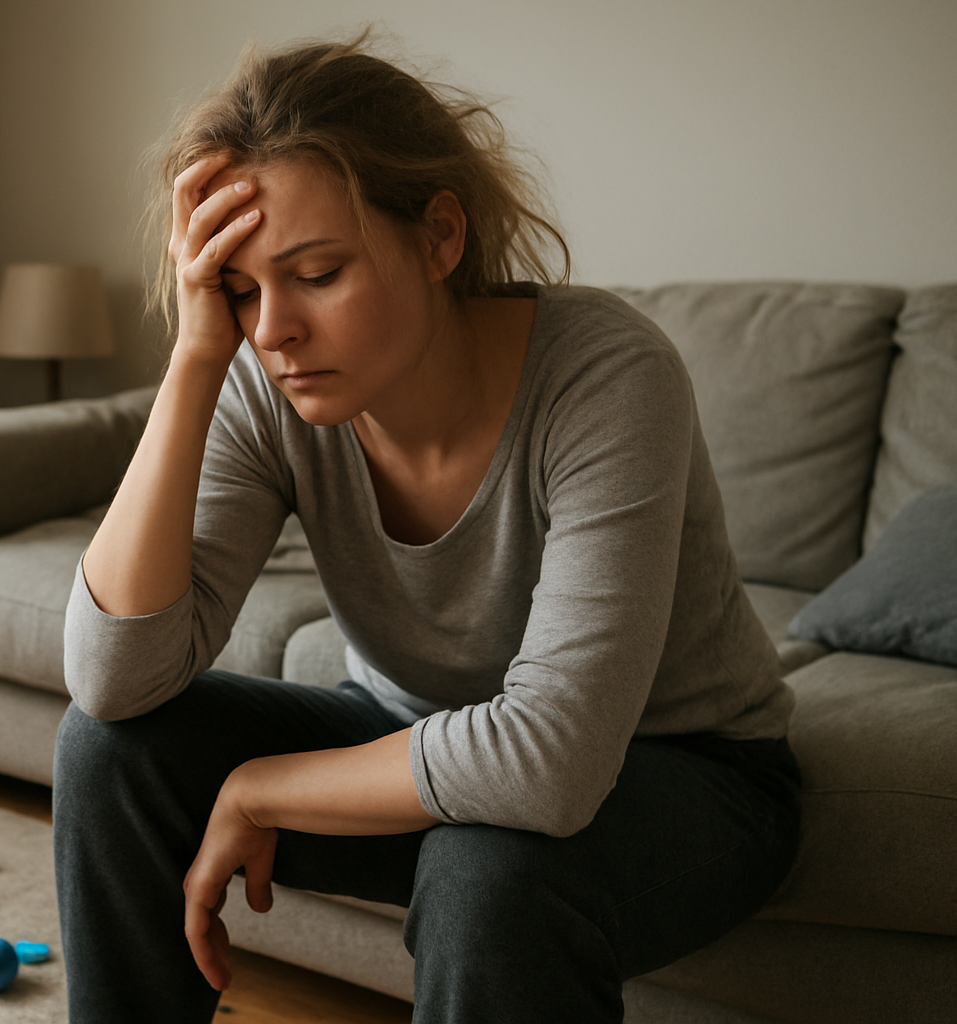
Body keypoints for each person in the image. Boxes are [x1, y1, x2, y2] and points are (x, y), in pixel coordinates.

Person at [53, 35, 800, 1023]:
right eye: (240, 288)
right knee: (110, 751)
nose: (272, 328)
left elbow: (550, 764)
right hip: (420, 738)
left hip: (687, 773)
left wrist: (261, 789)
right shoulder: (261, 376)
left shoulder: (608, 376)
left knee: (488, 866)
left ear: (440, 236)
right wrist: (196, 358)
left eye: (316, 272)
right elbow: (113, 678)